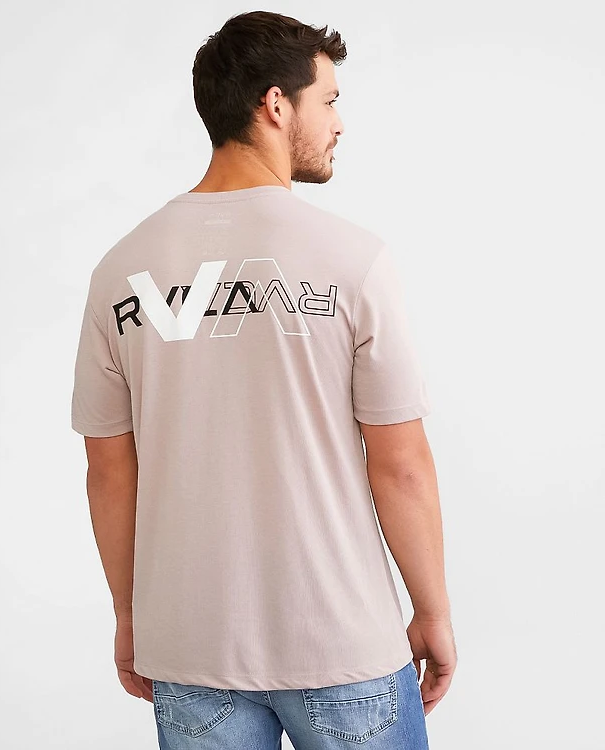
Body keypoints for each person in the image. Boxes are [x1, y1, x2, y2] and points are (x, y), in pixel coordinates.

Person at [70, 10, 457, 749]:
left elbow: (108, 470)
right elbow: (401, 464)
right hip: (343, 644)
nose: (339, 123)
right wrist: (432, 610)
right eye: (329, 100)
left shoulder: (120, 271)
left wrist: (129, 614)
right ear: (276, 104)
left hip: (189, 645)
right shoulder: (353, 260)